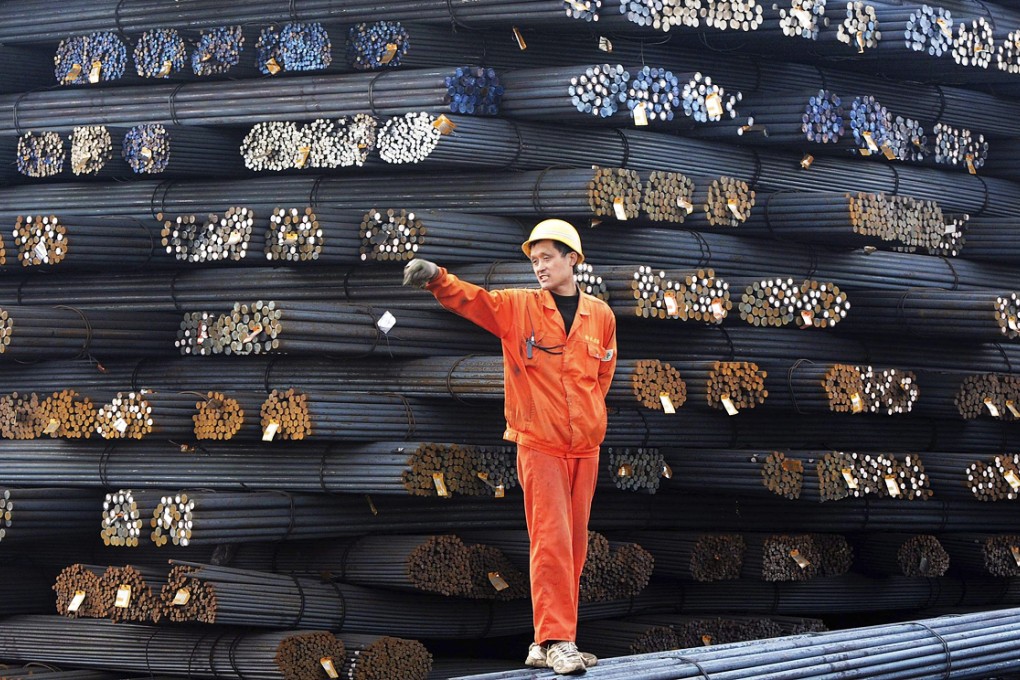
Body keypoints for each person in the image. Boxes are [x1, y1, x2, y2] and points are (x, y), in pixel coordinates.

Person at [403, 218, 617, 675]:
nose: (538, 267)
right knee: (552, 541)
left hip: (586, 448)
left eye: (547, 258)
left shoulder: (600, 316)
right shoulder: (519, 308)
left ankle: (545, 641)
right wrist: (438, 278)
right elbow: (475, 301)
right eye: (534, 259)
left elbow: (602, 378)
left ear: (572, 260)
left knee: (575, 547)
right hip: (539, 444)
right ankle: (560, 639)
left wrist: (590, 419)